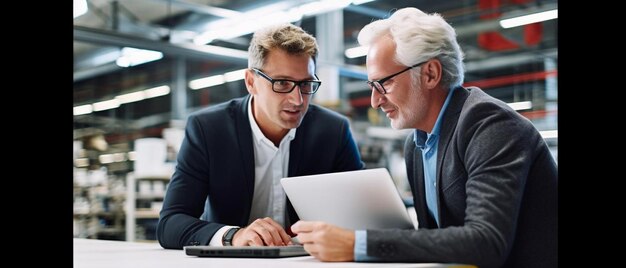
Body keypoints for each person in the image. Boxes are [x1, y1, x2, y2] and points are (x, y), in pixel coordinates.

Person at [291, 7, 557, 268]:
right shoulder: (416, 144)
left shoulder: (489, 125)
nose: (374, 101)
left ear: (430, 73)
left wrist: (357, 244)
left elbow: (486, 243)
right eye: (371, 86)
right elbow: (432, 240)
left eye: (384, 83)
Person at [157, 23, 364, 249]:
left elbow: (363, 213)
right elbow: (170, 223)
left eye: (305, 84)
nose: (298, 100)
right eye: (282, 83)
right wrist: (233, 236)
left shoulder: (334, 131)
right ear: (251, 82)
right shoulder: (208, 129)